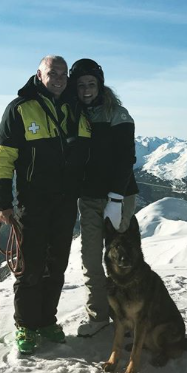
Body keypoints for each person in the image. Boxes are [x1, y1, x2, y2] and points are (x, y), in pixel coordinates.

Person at [0, 55, 91, 354]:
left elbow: (89, 153)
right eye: (53, 72)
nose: (59, 77)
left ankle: (47, 320)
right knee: (29, 267)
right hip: (31, 203)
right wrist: (2, 202)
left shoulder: (77, 109)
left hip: (65, 203)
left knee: (56, 266)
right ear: (39, 74)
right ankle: (25, 325)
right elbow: (4, 157)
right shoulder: (20, 108)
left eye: (63, 73)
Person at [68, 58, 139, 337]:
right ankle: (98, 315)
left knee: (122, 259)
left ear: (100, 85)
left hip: (119, 196)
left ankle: (130, 316)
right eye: (81, 84)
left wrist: (116, 198)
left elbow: (126, 158)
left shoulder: (117, 114)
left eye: (91, 84)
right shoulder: (73, 114)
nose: (86, 89)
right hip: (88, 197)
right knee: (91, 259)